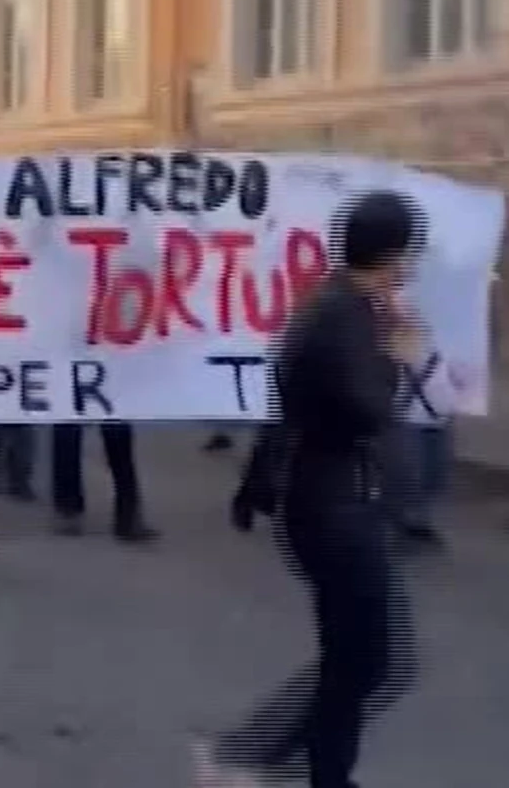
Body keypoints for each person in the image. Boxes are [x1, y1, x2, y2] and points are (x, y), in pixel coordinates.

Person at [199, 190, 425, 788]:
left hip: (343, 504)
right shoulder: (338, 316)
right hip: (334, 509)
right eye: (408, 255)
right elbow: (366, 408)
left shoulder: (345, 306)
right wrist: (401, 357)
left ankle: (310, 769)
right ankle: (249, 755)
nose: (409, 269)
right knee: (370, 659)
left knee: (370, 657)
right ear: (392, 254)